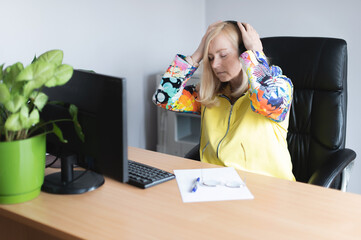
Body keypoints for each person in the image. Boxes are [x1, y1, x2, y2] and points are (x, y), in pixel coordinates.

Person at [153, 21, 295, 181]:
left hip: (268, 189)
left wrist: (255, 52)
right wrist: (198, 53)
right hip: (217, 185)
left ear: (244, 53)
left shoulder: (280, 86)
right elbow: (163, 98)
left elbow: (266, 100)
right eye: (210, 57)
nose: (215, 64)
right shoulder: (209, 95)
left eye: (223, 55)